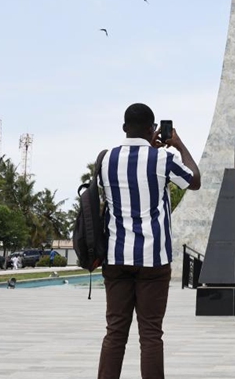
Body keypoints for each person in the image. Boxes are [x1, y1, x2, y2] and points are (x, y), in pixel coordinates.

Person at [97, 103, 201, 379]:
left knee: (115, 332)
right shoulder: (161, 159)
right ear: (153, 129)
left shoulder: (106, 159)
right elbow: (195, 180)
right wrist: (177, 145)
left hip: (116, 258)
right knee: (151, 334)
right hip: (153, 260)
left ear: (123, 128)